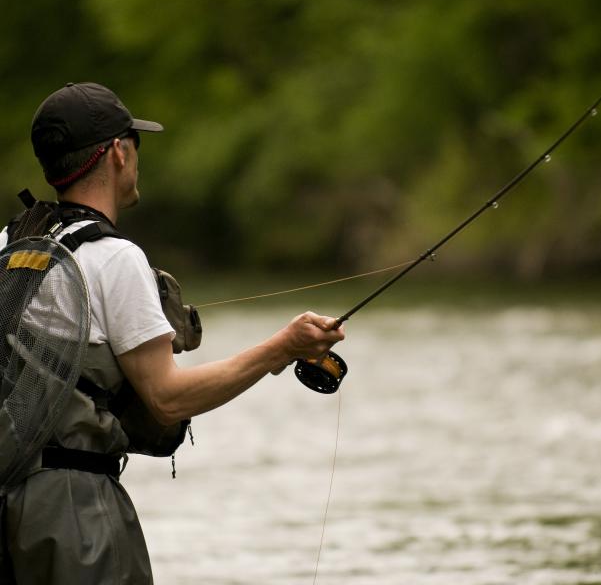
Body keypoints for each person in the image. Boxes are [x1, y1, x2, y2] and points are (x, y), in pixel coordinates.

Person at [0, 82, 345, 584]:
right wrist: (282, 347)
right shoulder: (115, 258)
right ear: (118, 153)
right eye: (134, 143)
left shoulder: (10, 243)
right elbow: (166, 399)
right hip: (74, 515)